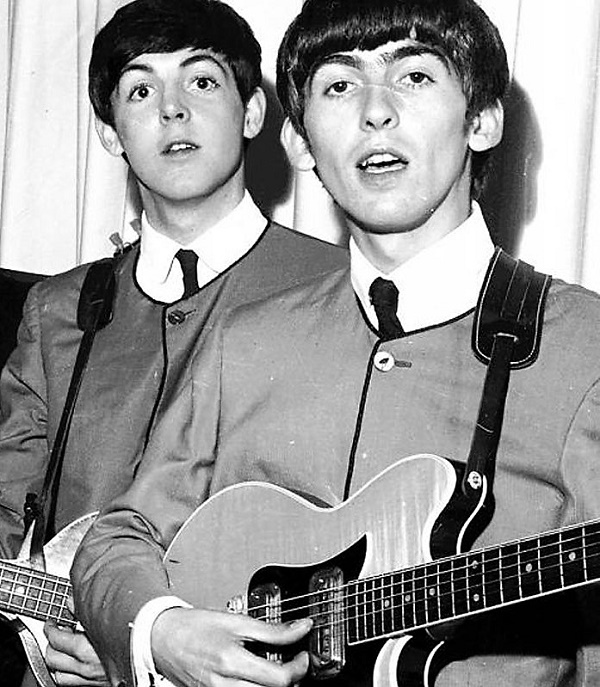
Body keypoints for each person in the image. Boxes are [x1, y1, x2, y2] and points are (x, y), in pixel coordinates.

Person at [71, 0, 600, 686]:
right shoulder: (246, 338)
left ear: (482, 120)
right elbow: (119, 537)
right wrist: (163, 631)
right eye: (339, 84)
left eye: (413, 76)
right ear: (298, 143)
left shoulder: (584, 345)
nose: (374, 112)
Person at [0, 0, 347, 684]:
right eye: (140, 89)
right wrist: (48, 628)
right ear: (110, 135)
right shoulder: (57, 310)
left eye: (201, 81)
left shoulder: (340, 288)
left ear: (252, 113)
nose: (171, 110)